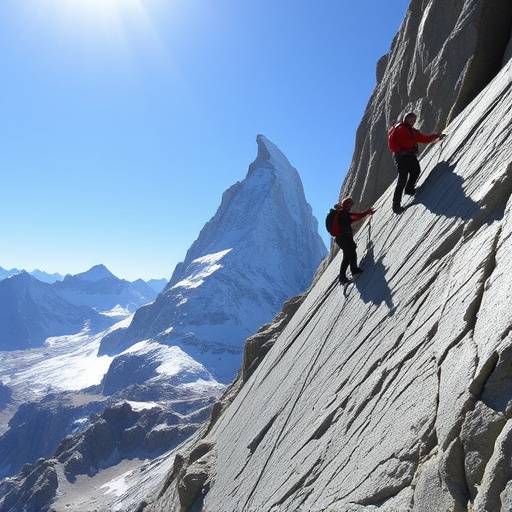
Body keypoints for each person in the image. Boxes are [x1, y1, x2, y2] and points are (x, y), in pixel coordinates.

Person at [388, 112, 445, 213]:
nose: (414, 121)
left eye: (414, 120)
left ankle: (409, 189)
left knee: (416, 171)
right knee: (402, 179)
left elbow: (423, 138)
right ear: (407, 119)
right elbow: (408, 141)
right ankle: (396, 206)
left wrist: (435, 136)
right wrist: (414, 140)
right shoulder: (402, 129)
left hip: (409, 155)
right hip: (402, 157)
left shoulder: (410, 130)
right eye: (413, 119)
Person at [329, 197, 374, 285]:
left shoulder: (342, 213)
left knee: (351, 252)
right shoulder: (343, 213)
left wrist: (366, 212)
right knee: (348, 255)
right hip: (344, 237)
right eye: (349, 205)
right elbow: (355, 217)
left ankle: (354, 269)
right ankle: (343, 276)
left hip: (343, 238)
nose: (350, 207)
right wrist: (367, 212)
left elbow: (353, 217)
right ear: (347, 205)